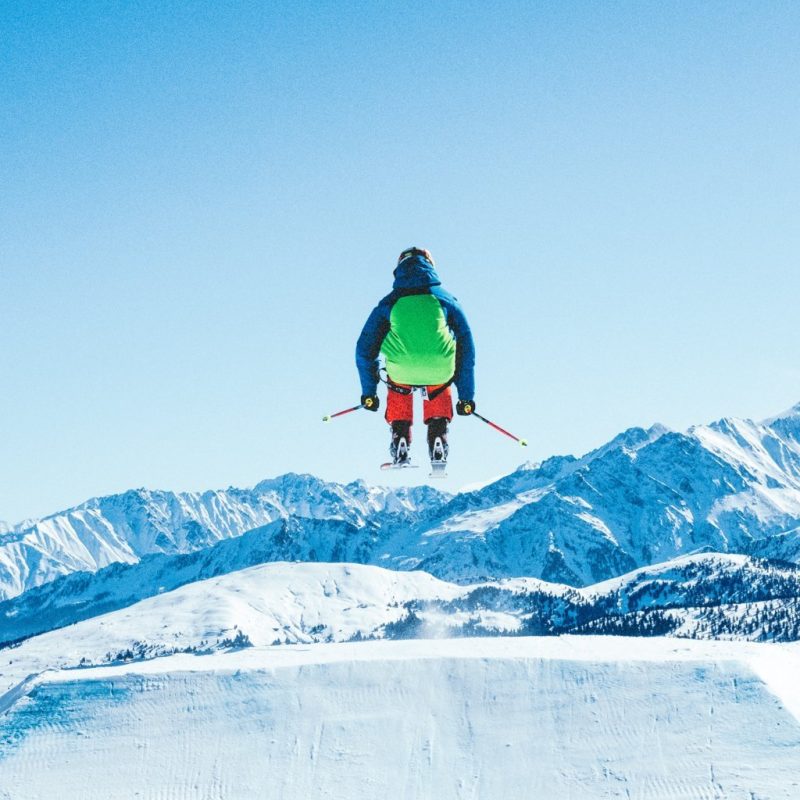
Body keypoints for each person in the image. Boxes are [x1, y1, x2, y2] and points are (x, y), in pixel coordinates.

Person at [356, 247, 476, 467]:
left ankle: (400, 437)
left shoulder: (388, 303)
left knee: (397, 377)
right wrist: (466, 396)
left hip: (402, 369)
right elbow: (466, 346)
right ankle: (438, 435)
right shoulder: (446, 300)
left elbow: (364, 349)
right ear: (431, 266)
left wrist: (369, 393)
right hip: (440, 369)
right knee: (439, 377)